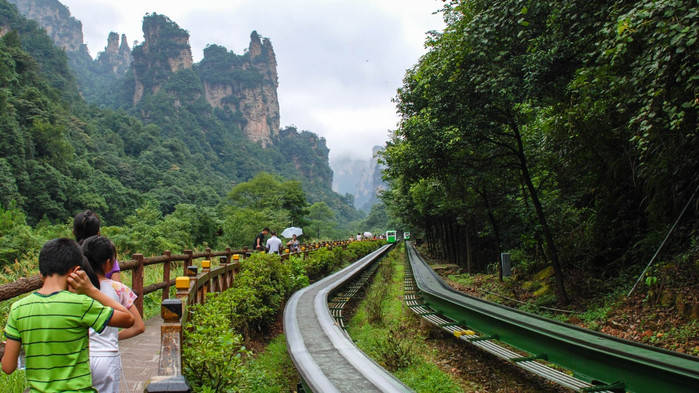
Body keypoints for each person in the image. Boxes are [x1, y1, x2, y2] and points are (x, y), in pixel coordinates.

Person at [2, 238, 134, 392]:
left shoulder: (18, 309)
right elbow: (128, 319)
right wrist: (91, 290)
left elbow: (8, 366)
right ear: (76, 271)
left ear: (40, 271)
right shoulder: (80, 304)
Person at [83, 235, 145, 393]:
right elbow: (139, 326)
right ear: (109, 263)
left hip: (79, 356)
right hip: (107, 356)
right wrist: (113, 336)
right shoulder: (119, 289)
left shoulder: (75, 288)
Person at [74, 210, 121, 282]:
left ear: (74, 232)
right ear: (98, 232)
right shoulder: (106, 254)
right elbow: (118, 287)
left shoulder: (70, 255)